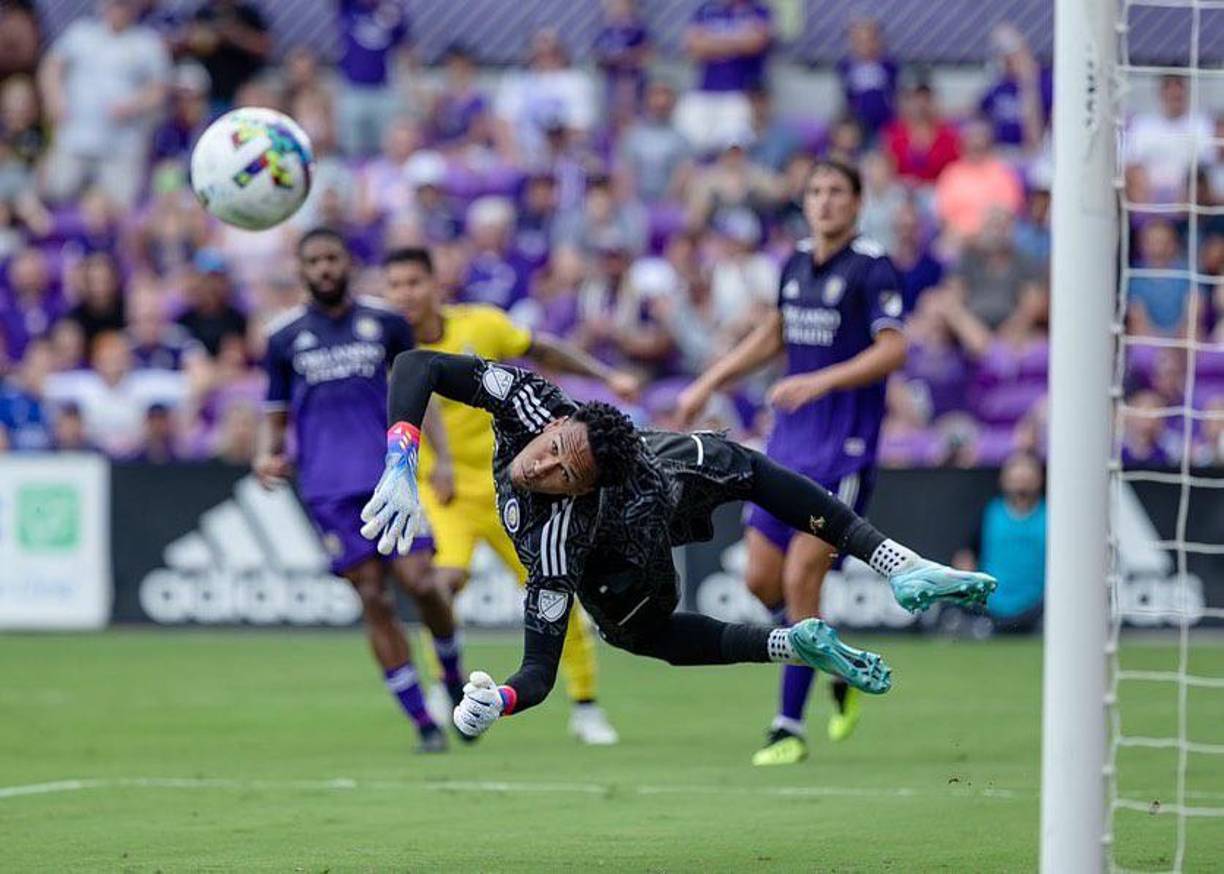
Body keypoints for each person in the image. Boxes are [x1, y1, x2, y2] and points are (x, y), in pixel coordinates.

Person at [359, 350, 996, 742]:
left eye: (565, 475)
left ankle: (896, 563)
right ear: (554, 424)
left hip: (634, 537)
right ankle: (806, 631)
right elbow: (419, 364)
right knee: (737, 464)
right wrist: (401, 457)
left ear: (582, 488)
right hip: (650, 454)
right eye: (553, 451)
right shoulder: (532, 405)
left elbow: (540, 671)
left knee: (639, 633)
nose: (543, 469)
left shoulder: (561, 541)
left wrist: (507, 697)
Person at [674, 158, 910, 766]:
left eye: (837, 192)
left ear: (857, 203)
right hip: (789, 446)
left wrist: (822, 381)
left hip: (845, 450)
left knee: (804, 577)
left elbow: (893, 349)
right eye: (815, 192)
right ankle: (831, 665)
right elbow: (775, 334)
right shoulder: (796, 263)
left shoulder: (872, 266)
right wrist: (709, 380)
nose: (825, 201)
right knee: (759, 581)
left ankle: (787, 728)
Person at [384, 245, 641, 744]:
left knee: (556, 596)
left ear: (436, 284)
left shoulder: (482, 325)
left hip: (521, 489)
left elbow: (541, 350)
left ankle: (585, 705)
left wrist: (609, 377)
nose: (404, 295)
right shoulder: (387, 346)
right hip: (447, 492)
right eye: (394, 286)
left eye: (413, 283)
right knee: (441, 586)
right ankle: (446, 682)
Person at [257, 227, 465, 753]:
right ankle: (423, 722)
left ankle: (452, 669)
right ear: (301, 270)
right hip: (328, 489)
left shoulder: (387, 323)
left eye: (332, 258)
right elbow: (274, 411)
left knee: (421, 582)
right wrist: (266, 454)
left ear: (348, 262)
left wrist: (440, 459)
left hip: (391, 477)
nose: (324, 268)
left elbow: (422, 389)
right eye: (314, 261)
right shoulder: (283, 338)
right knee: (372, 597)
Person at [38, 0, 171, 208]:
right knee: (54, 193)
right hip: (75, 136)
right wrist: (55, 99)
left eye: (124, 5)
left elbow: (160, 89)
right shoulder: (81, 34)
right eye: (114, 4)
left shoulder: (148, 42)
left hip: (122, 143)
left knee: (120, 206)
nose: (118, 9)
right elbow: (51, 67)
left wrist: (133, 105)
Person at [953, 452, 1046, 635]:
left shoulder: (1051, 516)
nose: (1021, 483)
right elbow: (966, 556)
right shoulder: (990, 513)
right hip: (992, 604)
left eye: (1026, 477)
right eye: (1016, 477)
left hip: (1037, 605)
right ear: (1004, 480)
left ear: (1039, 480)